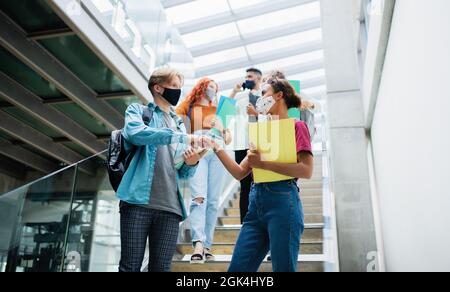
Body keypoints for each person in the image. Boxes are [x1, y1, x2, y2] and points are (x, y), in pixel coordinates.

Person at [207, 78, 314, 272]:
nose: (260, 97)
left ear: (279, 95)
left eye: (264, 92)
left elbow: (306, 170)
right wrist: (217, 149)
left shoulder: (297, 126)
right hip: (255, 206)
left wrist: (263, 164)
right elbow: (240, 173)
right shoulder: (260, 131)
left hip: (283, 203)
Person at [117, 68, 211, 272]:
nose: (178, 91)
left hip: (171, 208)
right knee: (130, 267)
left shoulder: (179, 124)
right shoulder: (138, 111)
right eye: (174, 86)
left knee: (161, 269)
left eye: (179, 86)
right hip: (137, 202)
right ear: (158, 87)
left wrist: (192, 162)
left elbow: (182, 173)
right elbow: (135, 134)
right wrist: (182, 137)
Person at [176, 78, 232, 264]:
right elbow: (175, 118)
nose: (212, 91)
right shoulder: (189, 104)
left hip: (218, 148)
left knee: (214, 200)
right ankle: (198, 243)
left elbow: (229, 138)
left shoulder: (220, 108)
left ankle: (207, 245)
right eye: (210, 87)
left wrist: (222, 129)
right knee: (199, 196)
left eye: (215, 88)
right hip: (198, 146)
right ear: (202, 87)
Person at [229, 68, 263, 224]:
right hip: (242, 144)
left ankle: (260, 221)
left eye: (250, 76)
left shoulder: (266, 94)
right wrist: (234, 92)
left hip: (262, 144)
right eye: (246, 77)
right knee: (244, 185)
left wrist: (256, 113)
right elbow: (224, 111)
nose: (247, 79)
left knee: (261, 183)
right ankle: (245, 223)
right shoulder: (240, 96)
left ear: (259, 78)